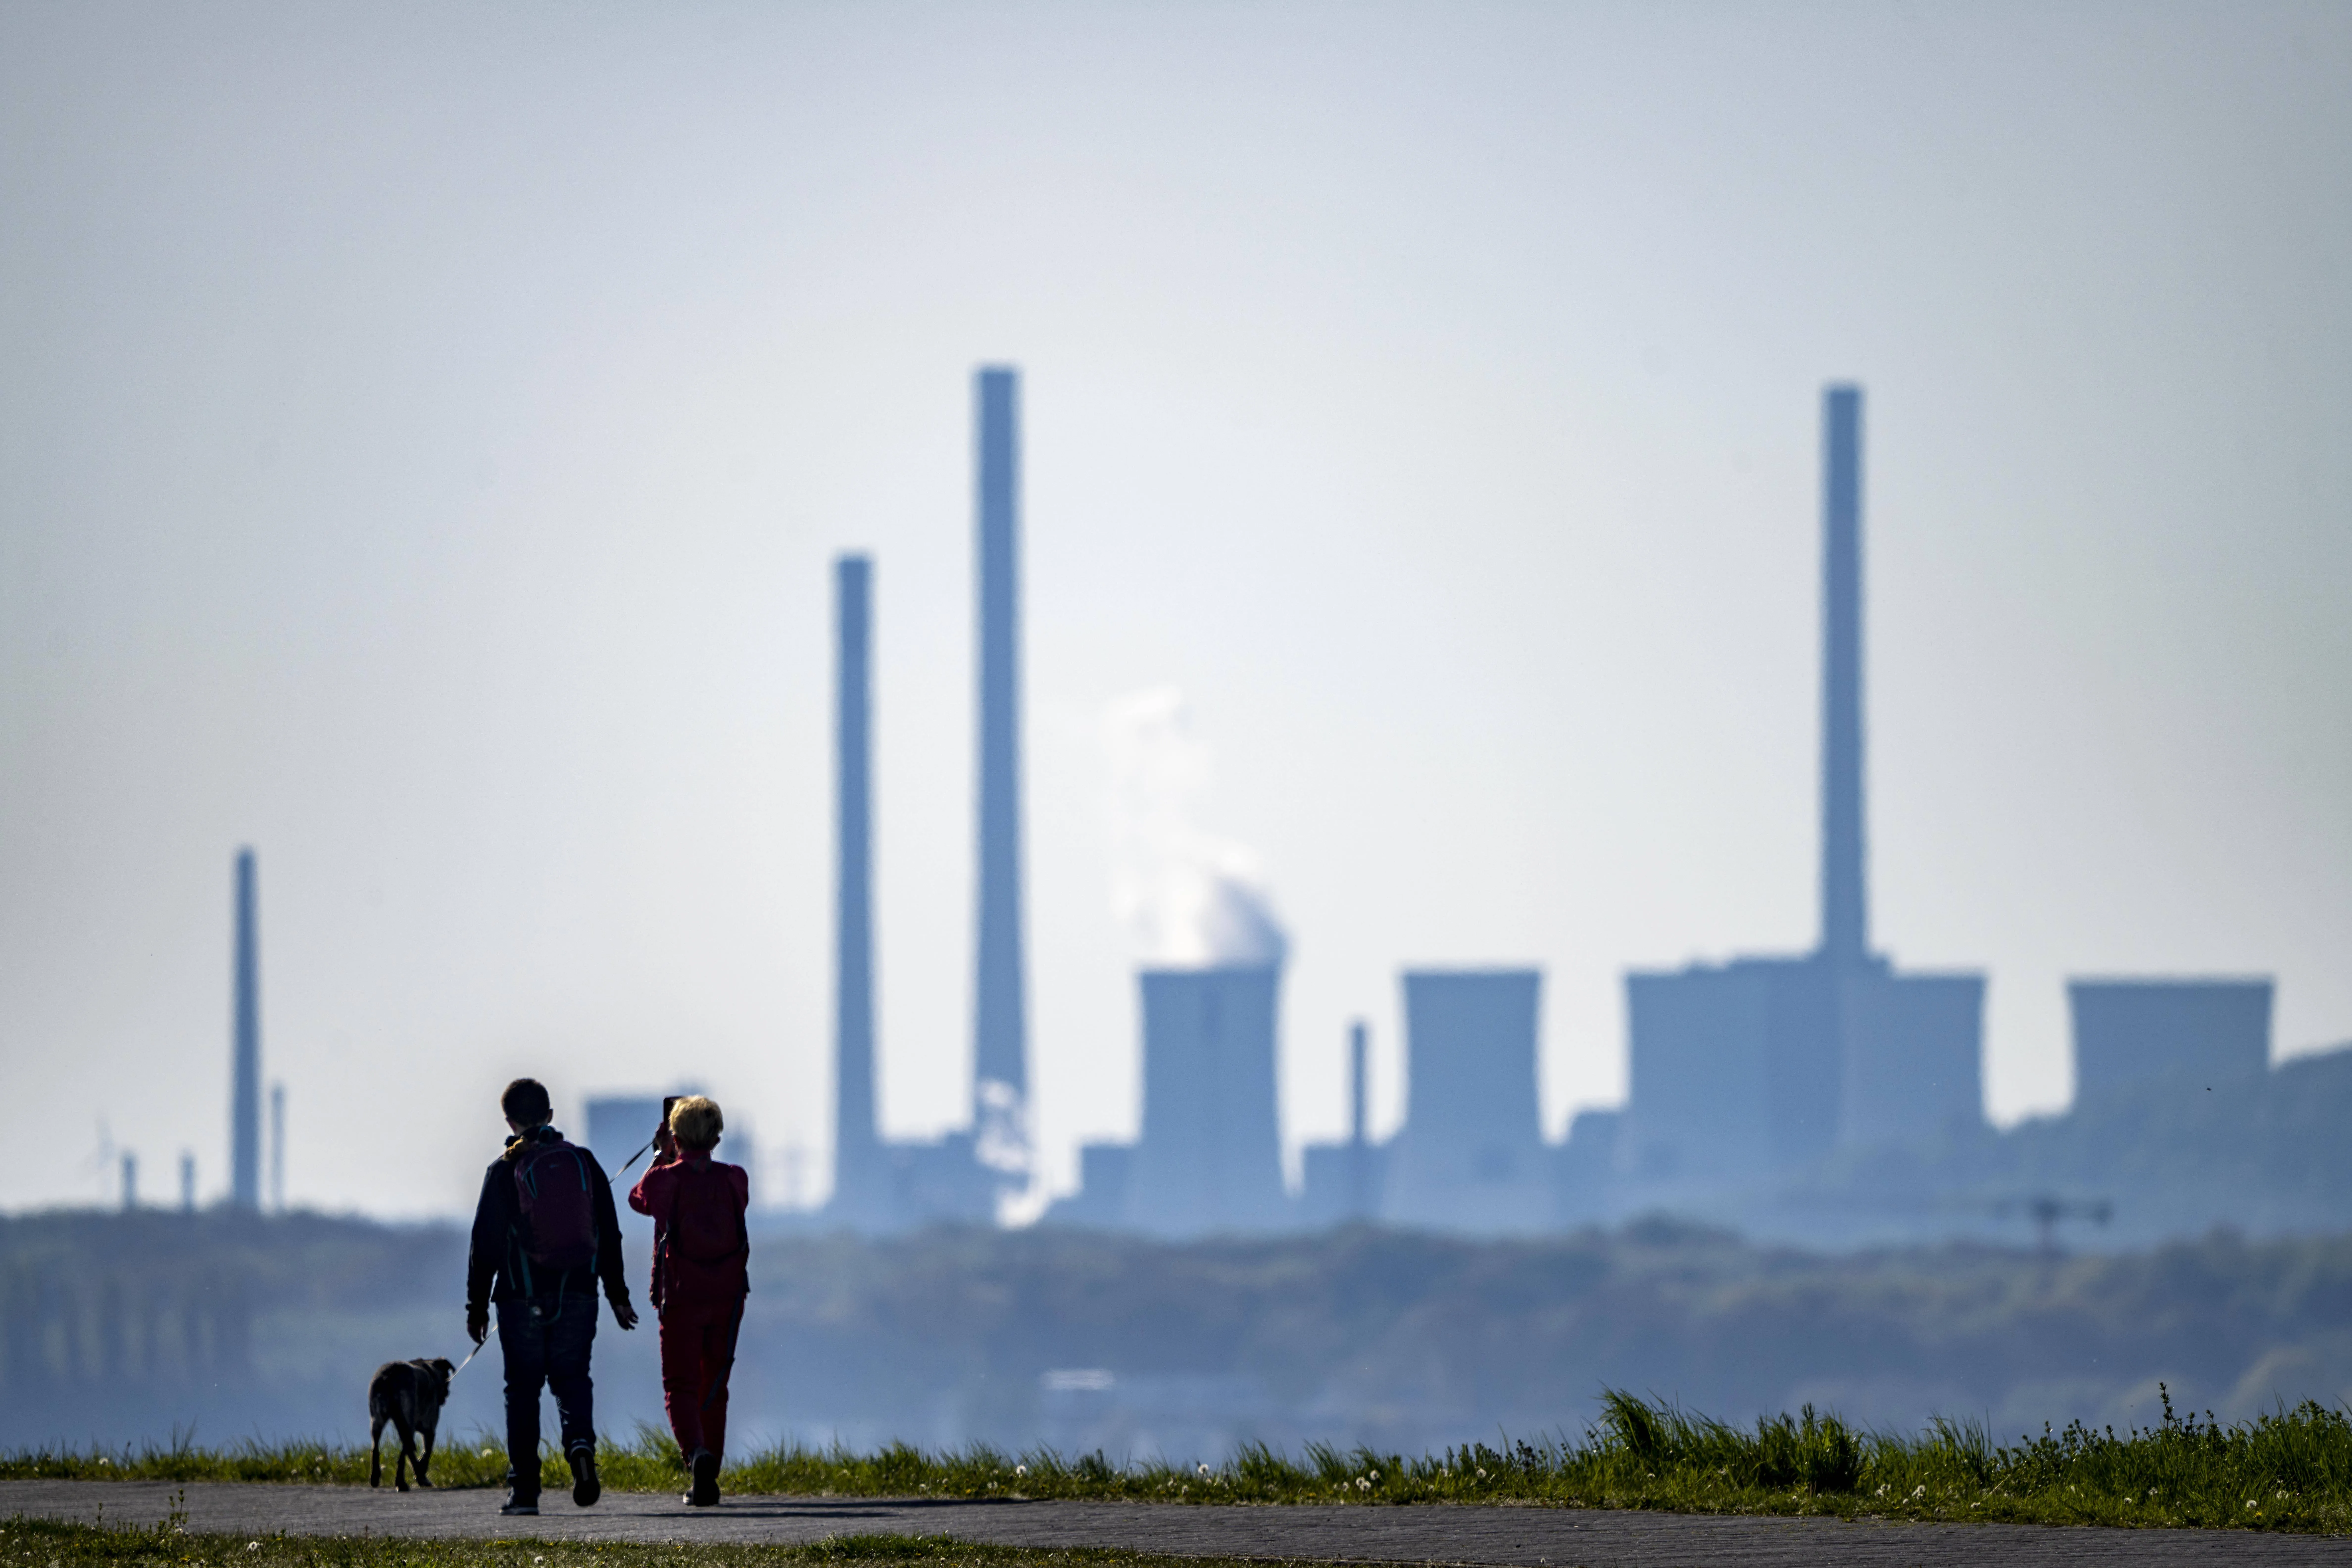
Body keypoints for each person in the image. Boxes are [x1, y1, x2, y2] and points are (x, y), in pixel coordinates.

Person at [465, 1077, 638, 1516]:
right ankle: (580, 1448)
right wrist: (617, 1293)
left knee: (522, 1390)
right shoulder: (583, 1162)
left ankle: (524, 1492)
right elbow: (609, 1233)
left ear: (509, 1120)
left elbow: (483, 1244)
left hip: (520, 1299)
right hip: (579, 1293)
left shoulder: (504, 1171)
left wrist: (477, 1306)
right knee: (573, 1379)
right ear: (551, 1116)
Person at [629, 1094, 750, 1508]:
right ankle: (709, 1474)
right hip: (728, 1297)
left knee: (680, 1384)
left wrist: (663, 1155)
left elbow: (638, 1198)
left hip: (680, 1295)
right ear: (717, 1137)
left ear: (676, 1135)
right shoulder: (736, 1178)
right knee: (715, 1384)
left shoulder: (667, 1179)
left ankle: (695, 1454)